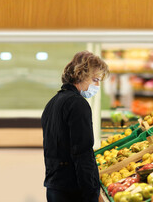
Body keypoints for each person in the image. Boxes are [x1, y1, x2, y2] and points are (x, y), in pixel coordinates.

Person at [41, 51, 109, 202]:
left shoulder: (52, 103)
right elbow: (82, 152)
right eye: (95, 79)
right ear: (80, 75)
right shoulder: (78, 104)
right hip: (73, 190)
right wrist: (92, 192)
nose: (97, 86)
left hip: (54, 186)